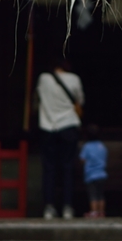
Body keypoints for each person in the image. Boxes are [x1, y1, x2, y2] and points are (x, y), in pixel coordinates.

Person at [36, 58, 84, 220]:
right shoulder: (74, 79)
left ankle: (49, 207)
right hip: (68, 124)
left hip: (48, 126)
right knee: (68, 167)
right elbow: (80, 100)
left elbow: (37, 98)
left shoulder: (43, 78)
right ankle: (67, 207)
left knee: (49, 168)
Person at [79, 124, 108, 218]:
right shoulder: (101, 146)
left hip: (91, 175)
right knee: (100, 195)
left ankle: (94, 212)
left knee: (93, 195)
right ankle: (101, 212)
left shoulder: (87, 146)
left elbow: (82, 159)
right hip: (102, 174)